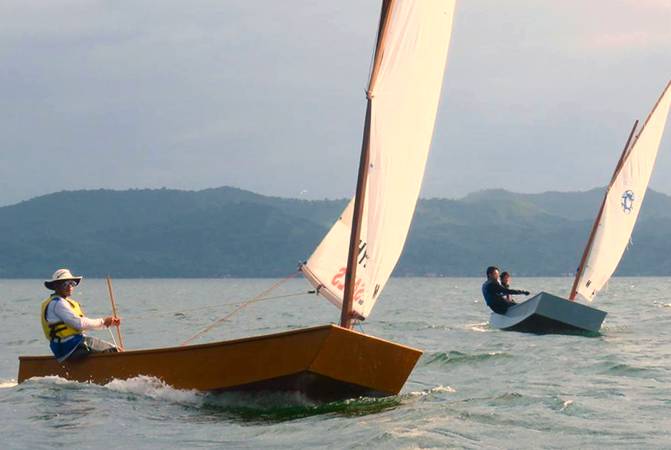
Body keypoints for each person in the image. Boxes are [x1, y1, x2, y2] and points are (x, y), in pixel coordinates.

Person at [40, 268, 121, 362]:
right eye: (65, 283)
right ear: (55, 286)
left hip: (66, 347)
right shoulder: (58, 304)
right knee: (114, 350)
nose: (69, 286)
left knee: (107, 349)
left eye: (72, 283)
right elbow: (79, 324)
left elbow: (81, 325)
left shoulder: (62, 302)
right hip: (70, 346)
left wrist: (107, 324)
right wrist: (103, 322)